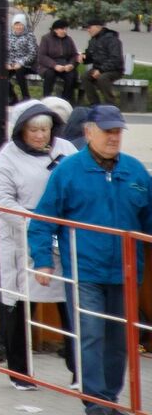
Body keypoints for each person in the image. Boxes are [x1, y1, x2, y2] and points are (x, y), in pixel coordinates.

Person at [32, 105, 152, 412]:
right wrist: (42, 259)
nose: (114, 138)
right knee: (91, 335)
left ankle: (109, 397)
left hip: (126, 272)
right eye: (107, 131)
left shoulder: (135, 171)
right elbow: (44, 219)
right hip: (85, 270)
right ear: (89, 132)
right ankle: (96, 403)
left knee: (121, 339)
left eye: (117, 132)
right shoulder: (69, 171)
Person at [0, 101, 75, 390]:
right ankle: (20, 372)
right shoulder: (7, 158)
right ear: (21, 130)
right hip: (22, 240)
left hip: (64, 237)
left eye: (45, 129)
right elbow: (0, 198)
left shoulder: (67, 150)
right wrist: (33, 224)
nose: (40, 135)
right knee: (21, 304)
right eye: (34, 130)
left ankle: (79, 369)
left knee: (71, 304)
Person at [81, 18, 124, 107]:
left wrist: (100, 70)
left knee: (102, 78)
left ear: (98, 27)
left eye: (89, 28)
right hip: (98, 68)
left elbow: (115, 59)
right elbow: (90, 56)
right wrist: (84, 57)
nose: (88, 30)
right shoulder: (93, 40)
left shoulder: (112, 39)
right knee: (85, 77)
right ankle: (94, 104)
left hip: (114, 70)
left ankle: (110, 104)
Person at [37, 19, 81, 101]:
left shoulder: (69, 39)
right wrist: (54, 65)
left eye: (66, 29)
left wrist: (71, 65)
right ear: (55, 30)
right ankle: (46, 99)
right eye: (62, 29)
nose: (65, 31)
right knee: (50, 74)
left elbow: (74, 55)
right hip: (49, 66)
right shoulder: (46, 38)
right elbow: (42, 56)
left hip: (65, 66)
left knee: (71, 75)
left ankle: (66, 100)